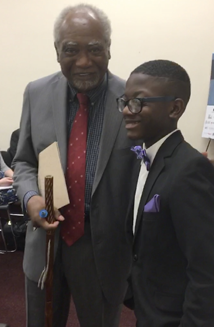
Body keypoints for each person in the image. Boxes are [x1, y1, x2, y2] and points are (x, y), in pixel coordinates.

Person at [13, 4, 138, 327]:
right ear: (57, 51)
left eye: (95, 49)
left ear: (109, 49)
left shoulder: (134, 100)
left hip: (102, 249)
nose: (84, 61)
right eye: (71, 50)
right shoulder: (36, 93)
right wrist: (30, 200)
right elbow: (24, 161)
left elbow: (149, 169)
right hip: (45, 240)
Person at [118, 59, 214, 327]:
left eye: (138, 102)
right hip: (150, 307)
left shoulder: (191, 171)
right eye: (124, 101)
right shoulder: (146, 157)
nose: (126, 110)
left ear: (175, 107)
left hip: (177, 317)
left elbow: (209, 273)